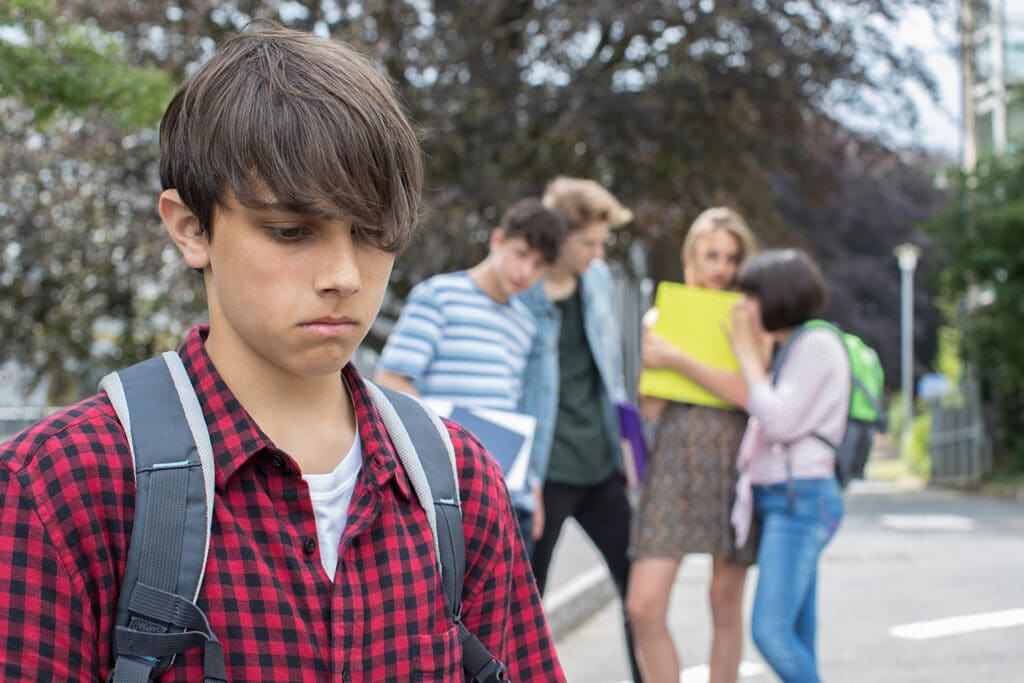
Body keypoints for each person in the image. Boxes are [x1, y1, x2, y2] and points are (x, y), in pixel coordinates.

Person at [0, 24, 565, 681]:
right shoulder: (61, 483)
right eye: (291, 230)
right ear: (191, 228)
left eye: (373, 232)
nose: (345, 274)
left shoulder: (461, 483)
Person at [374, 198, 567, 556]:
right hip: (445, 493)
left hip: (507, 498)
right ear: (497, 241)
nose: (525, 271)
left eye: (538, 265)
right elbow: (391, 380)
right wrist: (456, 435)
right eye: (521, 253)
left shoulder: (526, 325)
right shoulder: (438, 296)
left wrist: (533, 487)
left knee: (506, 613)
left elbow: (516, 409)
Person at [517, 176, 644, 682]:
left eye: (601, 244)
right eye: (588, 243)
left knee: (639, 593)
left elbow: (609, 374)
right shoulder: (524, 291)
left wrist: (629, 454)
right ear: (559, 235)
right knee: (524, 604)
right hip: (546, 472)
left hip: (602, 468)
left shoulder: (595, 284)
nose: (597, 254)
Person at [626, 207, 760, 683]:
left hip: (735, 462)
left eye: (731, 257)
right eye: (712, 255)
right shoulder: (666, 314)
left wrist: (679, 359)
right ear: (692, 258)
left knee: (724, 602)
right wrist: (654, 355)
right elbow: (651, 409)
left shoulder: (751, 317)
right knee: (642, 605)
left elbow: (748, 394)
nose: (721, 267)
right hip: (675, 464)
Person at [729, 248, 847, 683]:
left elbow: (778, 421)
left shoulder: (815, 342)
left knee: (771, 632)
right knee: (798, 631)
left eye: (751, 297)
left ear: (776, 296)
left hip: (800, 500)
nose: (744, 307)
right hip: (792, 499)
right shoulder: (795, 346)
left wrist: (745, 356)